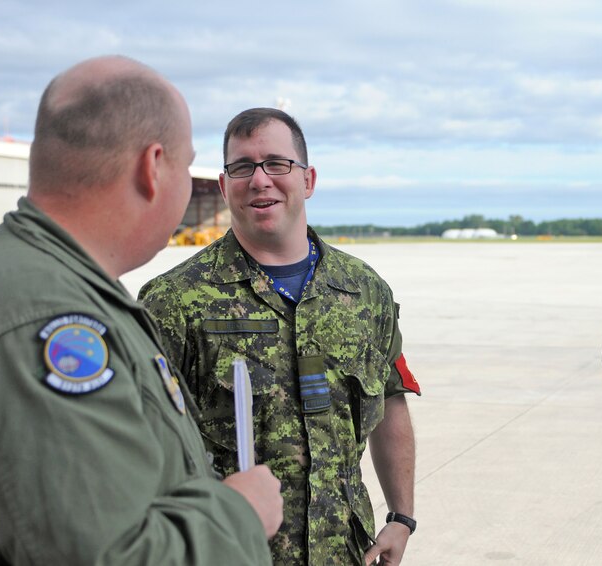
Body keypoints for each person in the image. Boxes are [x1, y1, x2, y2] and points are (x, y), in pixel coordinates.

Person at [0, 56, 284, 565]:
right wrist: (240, 513)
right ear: (152, 166)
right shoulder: (45, 317)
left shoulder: (61, 285)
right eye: (185, 166)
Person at [139, 107, 421, 566]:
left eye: (276, 163)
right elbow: (137, 442)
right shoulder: (174, 302)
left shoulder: (364, 292)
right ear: (226, 183)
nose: (259, 179)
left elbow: (390, 402)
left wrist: (402, 517)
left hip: (347, 553)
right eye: (242, 167)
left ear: (308, 180)